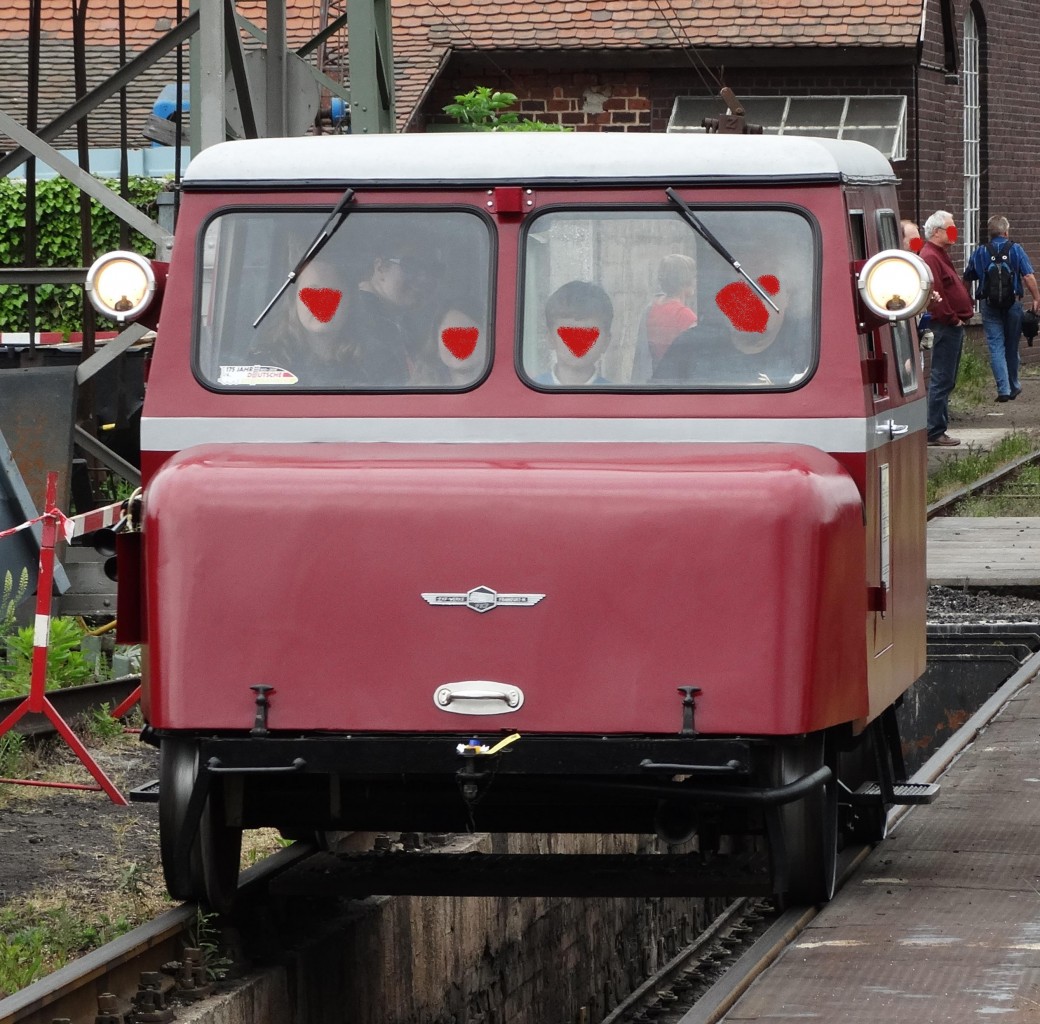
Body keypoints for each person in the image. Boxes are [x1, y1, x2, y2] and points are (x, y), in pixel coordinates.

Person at [653, 272, 809, 387]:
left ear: (787, 296)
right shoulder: (688, 349)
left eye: (762, 290)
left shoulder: (808, 350)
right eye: (739, 288)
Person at [963, 215, 1040, 403]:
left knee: (996, 346)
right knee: (1012, 345)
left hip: (989, 306)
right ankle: (1014, 385)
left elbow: (967, 277)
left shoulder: (980, 252)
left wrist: (966, 299)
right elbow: (1028, 276)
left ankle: (1003, 389)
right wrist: (1037, 298)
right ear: (1006, 232)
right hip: (1013, 304)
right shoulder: (1015, 249)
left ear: (990, 233)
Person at [919, 210, 974, 447]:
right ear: (937, 231)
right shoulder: (931, 257)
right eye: (950, 228)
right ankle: (934, 430)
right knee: (942, 377)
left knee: (945, 377)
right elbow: (936, 295)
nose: (955, 233)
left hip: (950, 325)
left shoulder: (939, 255)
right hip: (945, 326)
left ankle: (936, 427)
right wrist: (953, 319)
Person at [345, 242, 428, 385]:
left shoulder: (400, 320)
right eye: (411, 266)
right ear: (380, 267)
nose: (423, 278)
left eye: (433, 270)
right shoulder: (356, 318)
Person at [534, 280, 614, 386]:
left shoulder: (616, 397)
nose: (578, 342)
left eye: (589, 332)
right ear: (550, 338)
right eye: (568, 331)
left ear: (606, 342)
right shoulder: (530, 391)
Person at [643, 254, 698, 372]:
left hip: (656, 373)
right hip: (677, 377)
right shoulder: (685, 316)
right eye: (693, 276)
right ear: (684, 281)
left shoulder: (651, 307)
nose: (695, 281)